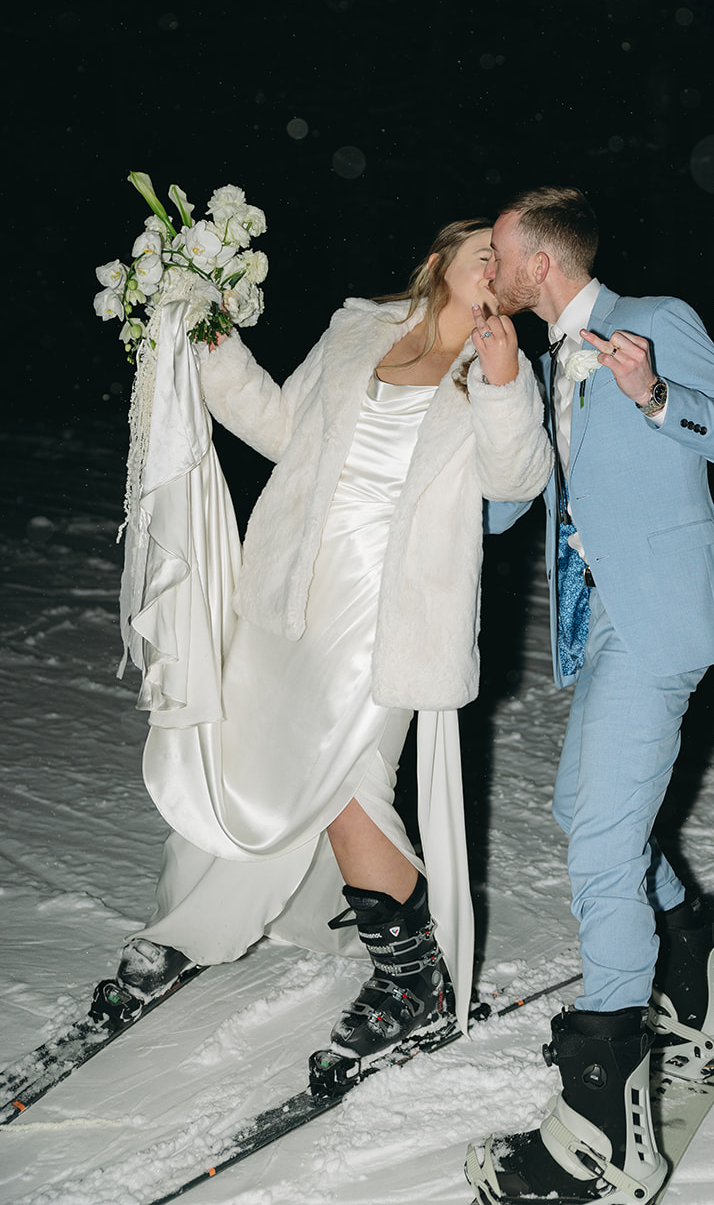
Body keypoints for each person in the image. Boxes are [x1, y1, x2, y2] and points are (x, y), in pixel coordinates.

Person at [111, 219, 552, 1074]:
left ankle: (411, 976)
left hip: (392, 612)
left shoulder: (499, 368)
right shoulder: (361, 328)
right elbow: (283, 426)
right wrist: (208, 338)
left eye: (504, 262)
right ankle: (187, 929)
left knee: (350, 787)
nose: (495, 267)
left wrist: (501, 382)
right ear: (437, 262)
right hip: (293, 579)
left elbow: (517, 481)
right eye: (481, 252)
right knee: (246, 755)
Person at [466, 187, 714, 1205]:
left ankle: (604, 1129)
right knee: (580, 813)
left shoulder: (653, 322)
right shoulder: (548, 357)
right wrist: (489, 394)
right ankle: (696, 963)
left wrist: (653, 398)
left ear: (542, 260)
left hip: (660, 616)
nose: (491, 265)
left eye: (501, 251)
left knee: (600, 847)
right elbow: (513, 503)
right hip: (596, 625)